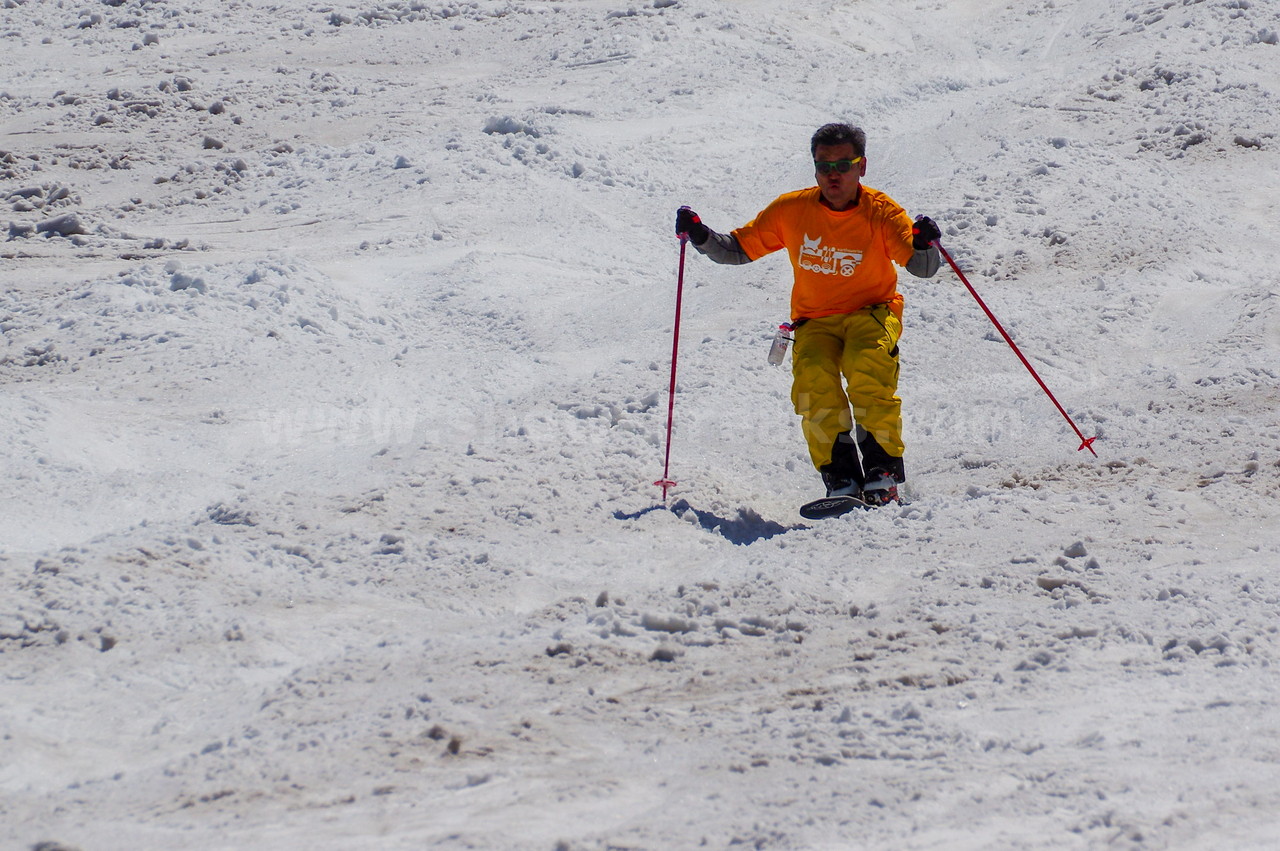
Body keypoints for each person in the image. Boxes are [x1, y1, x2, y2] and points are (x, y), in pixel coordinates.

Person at [676, 122, 941, 507]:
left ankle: (882, 473)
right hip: (815, 320)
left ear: (861, 166)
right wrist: (700, 235)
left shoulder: (881, 212)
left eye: (843, 165)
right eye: (824, 167)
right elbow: (738, 249)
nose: (833, 175)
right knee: (814, 380)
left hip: (872, 312)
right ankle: (842, 477)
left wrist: (924, 243)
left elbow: (922, 266)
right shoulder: (792, 209)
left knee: (866, 365)